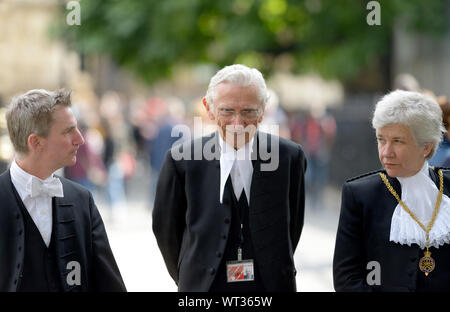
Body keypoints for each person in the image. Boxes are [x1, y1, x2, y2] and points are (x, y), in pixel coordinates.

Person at [152, 64, 307, 292]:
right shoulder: (180, 160)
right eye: (227, 111)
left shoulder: (289, 158)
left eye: (248, 112)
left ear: (263, 110)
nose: (238, 123)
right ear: (209, 109)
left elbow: (293, 225)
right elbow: (166, 231)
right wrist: (191, 276)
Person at [0, 89, 126, 292]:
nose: (80, 139)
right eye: (68, 131)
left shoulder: (81, 199)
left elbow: (108, 284)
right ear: (36, 142)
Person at [333, 90, 450, 291]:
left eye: (398, 141)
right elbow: (347, 277)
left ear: (426, 147)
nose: (386, 152)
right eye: (381, 139)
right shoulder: (359, 195)